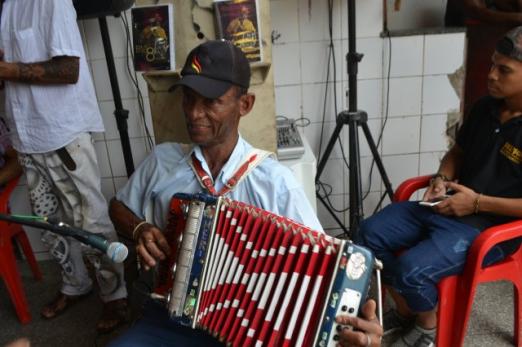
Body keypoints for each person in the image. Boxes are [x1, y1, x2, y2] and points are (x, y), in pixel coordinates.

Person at [107, 39, 382, 347]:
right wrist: (140, 228)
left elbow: (326, 267)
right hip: (170, 317)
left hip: (253, 331)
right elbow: (117, 206)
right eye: (188, 98)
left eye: (210, 102)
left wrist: (356, 322)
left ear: (245, 104)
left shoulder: (276, 182)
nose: (194, 113)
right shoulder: (162, 160)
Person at [357, 27, 522, 347]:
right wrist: (441, 178)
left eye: (504, 70)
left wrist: (476, 204)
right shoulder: (484, 108)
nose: (490, 75)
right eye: (491, 65)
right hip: (448, 206)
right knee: (367, 235)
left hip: (492, 230)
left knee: (411, 270)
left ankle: (426, 327)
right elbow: (457, 152)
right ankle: (414, 313)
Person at [0, 0, 128, 333]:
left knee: (91, 223)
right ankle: (76, 284)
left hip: (62, 135)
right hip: (27, 137)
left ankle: (116, 297)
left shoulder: (51, 1)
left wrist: (6, 70)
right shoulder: (7, 7)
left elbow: (69, 70)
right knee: (49, 224)